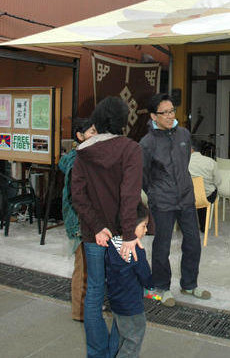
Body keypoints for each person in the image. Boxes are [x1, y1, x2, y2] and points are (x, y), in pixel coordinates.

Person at [72, 97, 143, 358]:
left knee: (94, 293)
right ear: (124, 122)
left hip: (94, 234)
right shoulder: (131, 150)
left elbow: (78, 196)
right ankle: (115, 351)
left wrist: (98, 226)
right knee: (122, 296)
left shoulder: (84, 151)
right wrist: (127, 235)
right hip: (120, 238)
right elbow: (129, 197)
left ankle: (97, 353)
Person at [140, 93, 210, 307]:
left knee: (193, 242)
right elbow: (143, 174)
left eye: (172, 111)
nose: (170, 116)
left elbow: (184, 162)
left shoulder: (184, 134)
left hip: (186, 197)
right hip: (162, 201)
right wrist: (154, 193)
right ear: (154, 116)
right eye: (165, 112)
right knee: (162, 246)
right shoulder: (147, 142)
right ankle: (162, 286)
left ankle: (189, 284)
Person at [59, 117, 97, 322]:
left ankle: (85, 307)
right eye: (91, 132)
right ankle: (79, 312)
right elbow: (77, 198)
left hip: (86, 220)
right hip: (80, 221)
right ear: (80, 136)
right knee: (83, 268)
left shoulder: (85, 157)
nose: (96, 135)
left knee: (88, 267)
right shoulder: (77, 161)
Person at [105, 202, 153, 358]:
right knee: (135, 337)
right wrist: (151, 285)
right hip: (132, 303)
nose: (146, 230)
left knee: (125, 336)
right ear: (131, 227)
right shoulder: (136, 250)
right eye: (144, 226)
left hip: (116, 301)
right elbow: (145, 275)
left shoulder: (111, 245)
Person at [188, 138, 221, 232]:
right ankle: (204, 226)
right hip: (206, 198)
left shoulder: (182, 162)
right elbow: (218, 181)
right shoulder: (211, 162)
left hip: (187, 197)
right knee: (209, 191)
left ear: (191, 149)